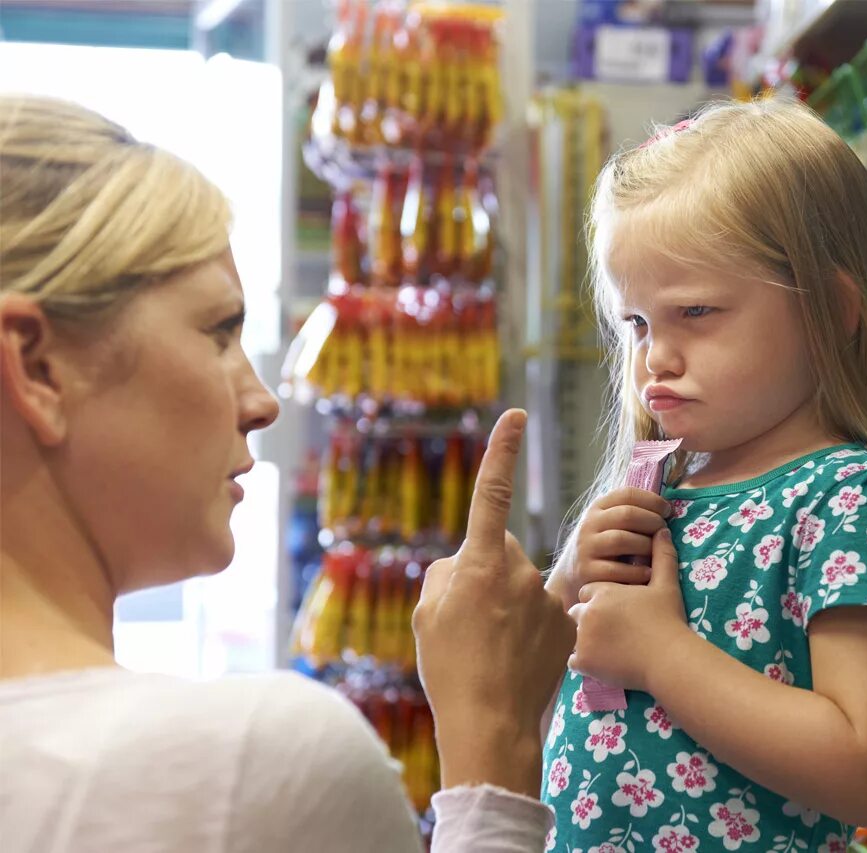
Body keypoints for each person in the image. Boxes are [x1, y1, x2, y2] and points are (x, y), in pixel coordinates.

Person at [0, 95, 569, 853]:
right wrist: (493, 749)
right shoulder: (248, 763)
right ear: (37, 368)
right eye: (217, 332)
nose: (262, 401)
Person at [542, 98, 867, 850]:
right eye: (635, 322)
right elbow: (536, 696)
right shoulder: (660, 493)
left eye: (695, 311)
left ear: (830, 310)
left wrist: (660, 654)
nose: (653, 357)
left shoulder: (854, 502)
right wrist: (566, 584)